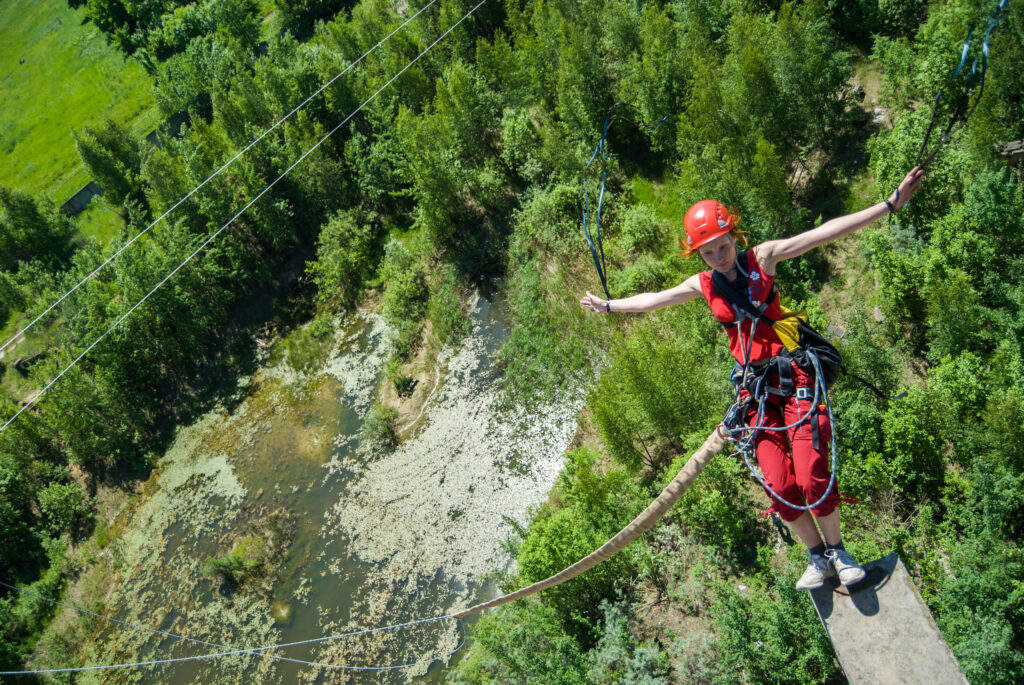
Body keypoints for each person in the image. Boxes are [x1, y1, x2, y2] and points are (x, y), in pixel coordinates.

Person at [580, 167, 925, 590]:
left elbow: (825, 233)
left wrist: (889, 204)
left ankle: (838, 551)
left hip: (794, 373)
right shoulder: (703, 284)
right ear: (699, 254)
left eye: (721, 246)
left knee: (812, 469)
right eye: (707, 252)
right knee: (778, 482)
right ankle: (817, 558)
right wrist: (609, 306)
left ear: (734, 238)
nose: (717, 257)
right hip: (756, 392)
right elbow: (653, 301)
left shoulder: (762, 258)